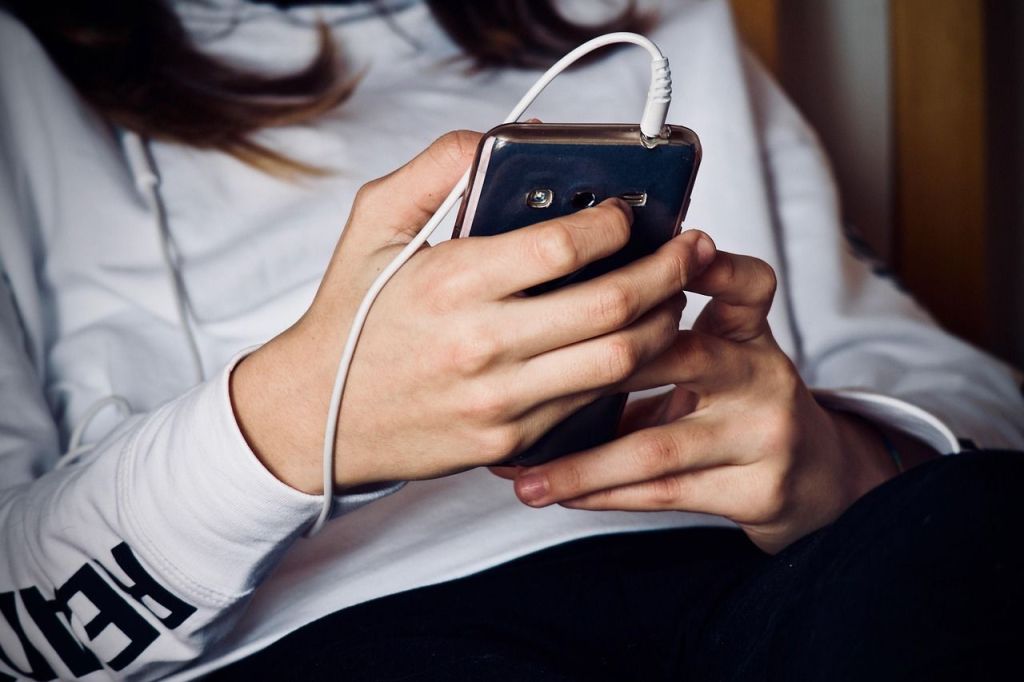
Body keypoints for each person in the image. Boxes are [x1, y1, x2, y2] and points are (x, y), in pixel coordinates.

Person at [0, 1, 1021, 680]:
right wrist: (289, 421)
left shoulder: (646, 19)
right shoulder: (21, 76)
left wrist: (839, 458)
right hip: (347, 631)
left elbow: (962, 393)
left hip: (757, 579)